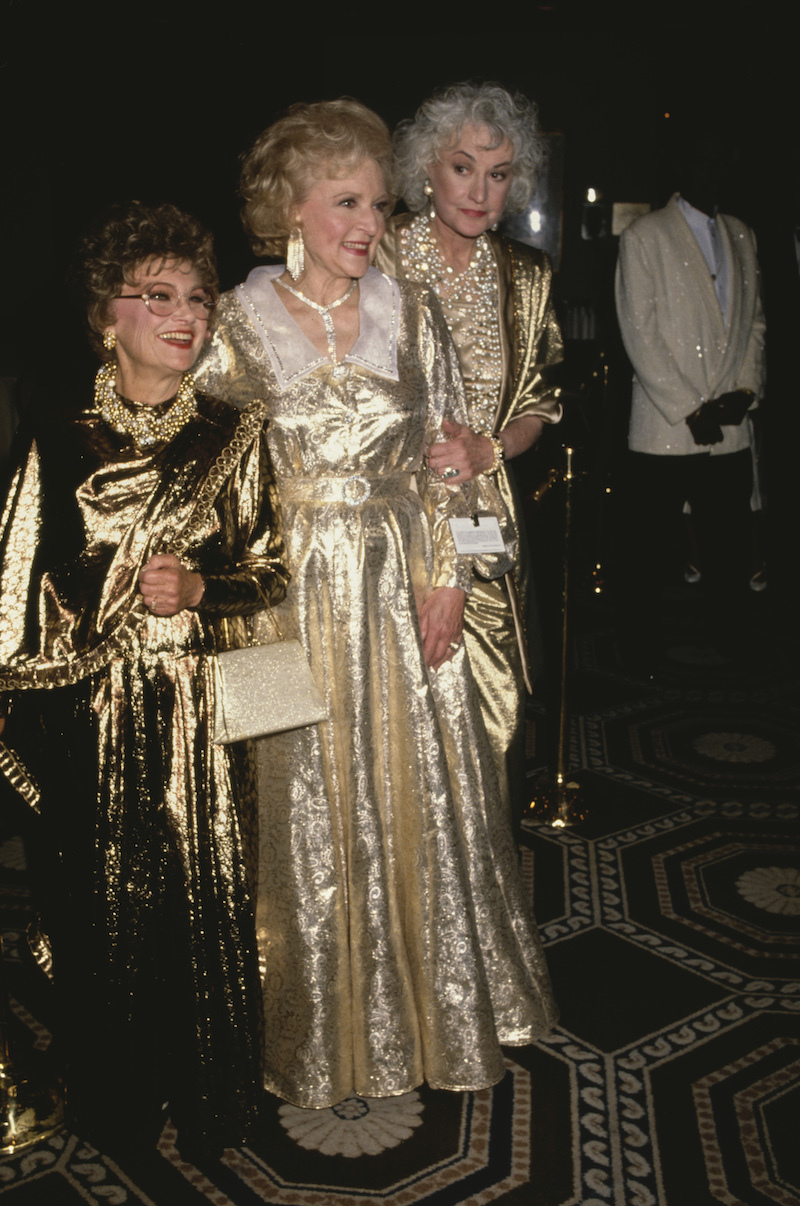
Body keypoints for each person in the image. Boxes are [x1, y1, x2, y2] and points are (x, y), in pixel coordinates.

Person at [194, 98, 557, 1110]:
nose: (368, 223)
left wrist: (447, 576)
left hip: (405, 591)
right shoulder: (235, 323)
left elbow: (447, 454)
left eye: (378, 203)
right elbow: (203, 480)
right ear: (291, 208)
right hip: (282, 601)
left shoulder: (409, 308)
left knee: (428, 800)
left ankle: (434, 1017)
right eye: (345, 202)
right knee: (291, 810)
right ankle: (308, 1033)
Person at [0, 201, 288, 1158]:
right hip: (87, 708)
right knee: (101, 903)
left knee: (203, 896)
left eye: (199, 298)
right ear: (106, 317)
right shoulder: (59, 435)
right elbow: (15, 582)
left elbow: (273, 568)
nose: (187, 315)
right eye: (158, 296)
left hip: (197, 705)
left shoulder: (235, 432)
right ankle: (117, 1101)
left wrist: (204, 588)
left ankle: (210, 1098)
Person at [375, 81, 563, 821]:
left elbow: (541, 402)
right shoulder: (379, 252)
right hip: (388, 512)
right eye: (463, 168)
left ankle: (480, 864)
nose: (481, 192)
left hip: (484, 517)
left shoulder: (528, 276)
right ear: (426, 168)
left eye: (499, 174)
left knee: (489, 702)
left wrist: (489, 448)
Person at [614, 129, 766, 666]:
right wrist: (689, 409)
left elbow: (754, 324)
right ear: (682, 167)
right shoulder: (645, 236)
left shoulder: (742, 234)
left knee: (728, 547)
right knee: (651, 551)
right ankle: (640, 652)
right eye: (704, 160)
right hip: (666, 425)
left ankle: (732, 644)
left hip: (728, 424)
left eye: (723, 160)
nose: (714, 170)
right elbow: (639, 332)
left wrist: (744, 391)